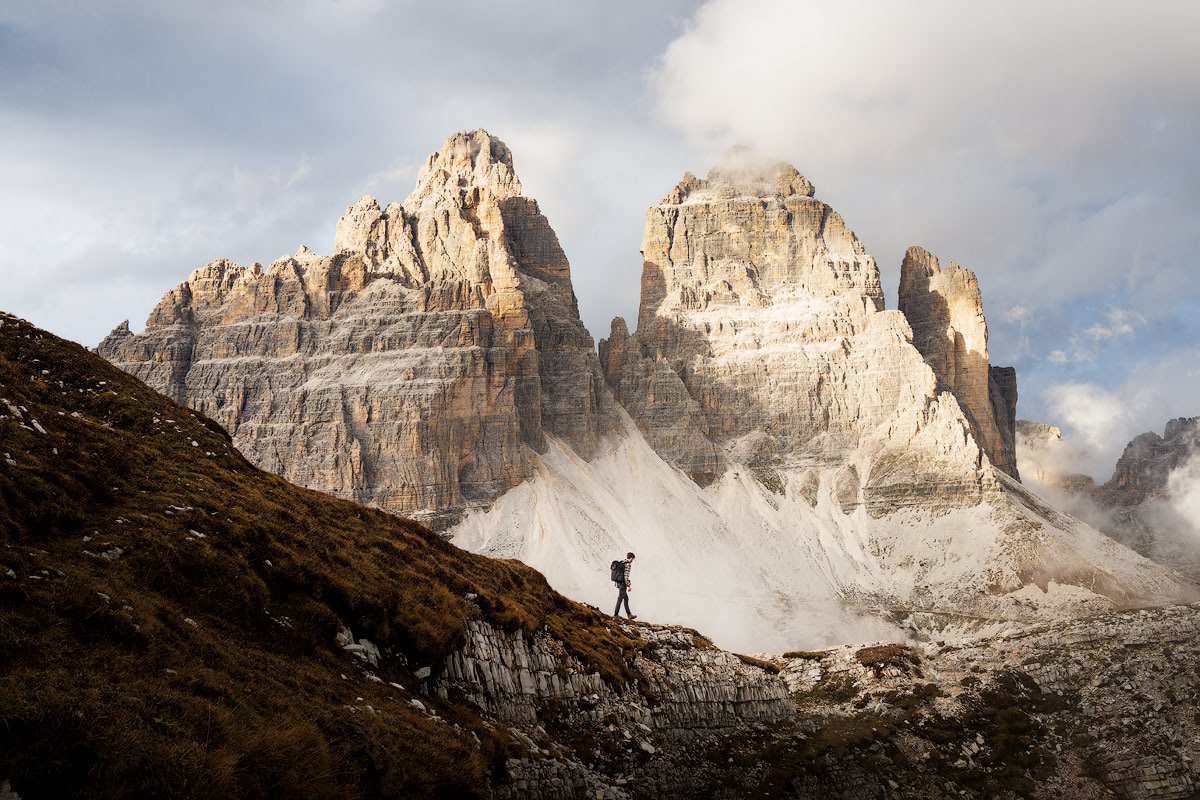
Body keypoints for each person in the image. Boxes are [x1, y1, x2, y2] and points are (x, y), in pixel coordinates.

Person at [614, 552, 636, 620]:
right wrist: (628, 585)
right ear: (631, 558)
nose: (632, 561)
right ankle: (615, 615)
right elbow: (626, 576)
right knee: (620, 598)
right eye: (633, 559)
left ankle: (629, 614)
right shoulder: (628, 564)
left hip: (619, 583)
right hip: (623, 584)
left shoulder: (622, 562)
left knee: (625, 598)